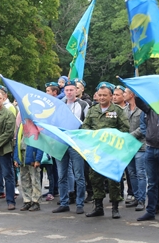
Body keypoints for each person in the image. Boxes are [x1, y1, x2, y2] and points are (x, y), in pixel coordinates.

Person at [82, 82, 130, 219]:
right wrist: (94, 135)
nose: (102, 98)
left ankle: (115, 208)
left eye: (105, 95)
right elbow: (85, 126)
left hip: (111, 151)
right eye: (100, 95)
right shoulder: (92, 110)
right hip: (96, 151)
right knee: (95, 178)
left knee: (113, 180)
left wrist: (111, 138)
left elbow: (125, 129)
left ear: (110, 96)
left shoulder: (118, 111)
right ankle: (98, 207)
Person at [53, 80, 89, 214]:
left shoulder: (84, 105)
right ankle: (64, 202)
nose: (69, 92)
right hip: (61, 142)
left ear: (76, 91)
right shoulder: (59, 104)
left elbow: (87, 123)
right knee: (62, 175)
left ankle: (80, 203)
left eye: (71, 90)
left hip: (76, 144)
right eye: (67, 90)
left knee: (79, 174)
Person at [123, 88, 147, 211]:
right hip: (129, 147)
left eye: (125, 93)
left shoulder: (142, 109)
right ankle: (137, 197)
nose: (123, 94)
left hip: (140, 146)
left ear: (132, 94)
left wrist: (129, 136)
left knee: (141, 174)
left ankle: (142, 200)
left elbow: (144, 128)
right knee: (131, 174)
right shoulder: (125, 110)